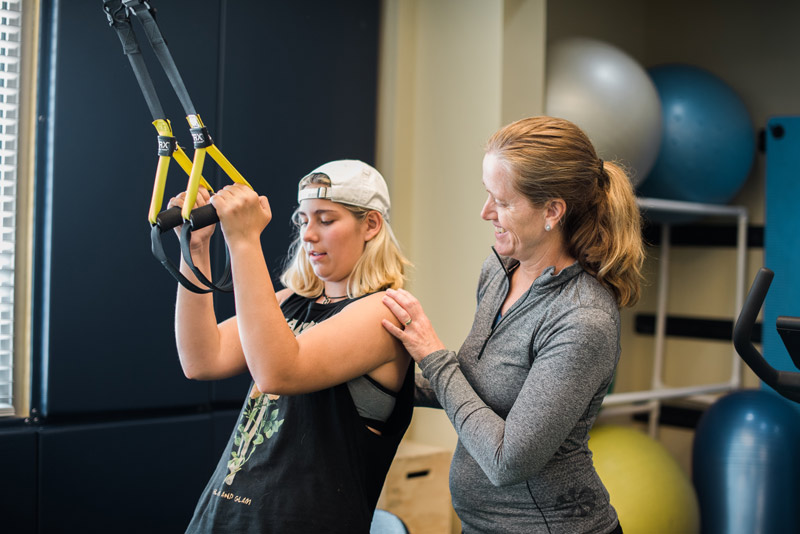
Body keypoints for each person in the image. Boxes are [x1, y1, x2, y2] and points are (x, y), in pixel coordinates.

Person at [381, 116, 643, 534]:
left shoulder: (582, 318)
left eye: (501, 202)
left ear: (552, 211)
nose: (485, 212)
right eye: (488, 195)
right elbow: (476, 389)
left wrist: (432, 355)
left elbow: (507, 460)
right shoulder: (499, 269)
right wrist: (375, 374)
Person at [171, 159, 414, 533]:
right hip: (222, 518)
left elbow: (277, 372)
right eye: (303, 220)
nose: (308, 235)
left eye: (326, 220)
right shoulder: (291, 301)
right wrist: (196, 250)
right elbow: (201, 359)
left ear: (370, 225)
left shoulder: (383, 313)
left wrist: (244, 239)